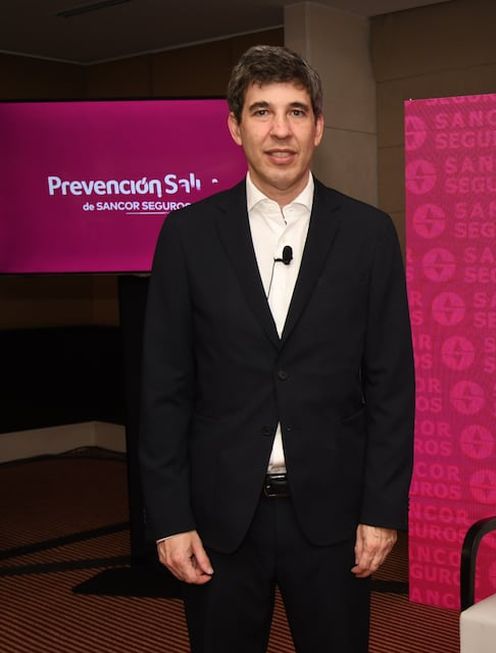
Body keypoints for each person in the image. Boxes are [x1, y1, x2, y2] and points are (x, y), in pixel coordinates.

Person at [139, 45, 414, 653]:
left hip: (335, 519)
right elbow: (163, 391)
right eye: (262, 112)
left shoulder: (368, 235)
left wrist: (383, 509)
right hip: (217, 520)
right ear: (235, 125)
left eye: (296, 111)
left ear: (319, 126)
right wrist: (170, 517)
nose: (280, 130)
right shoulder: (187, 235)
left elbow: (392, 384)